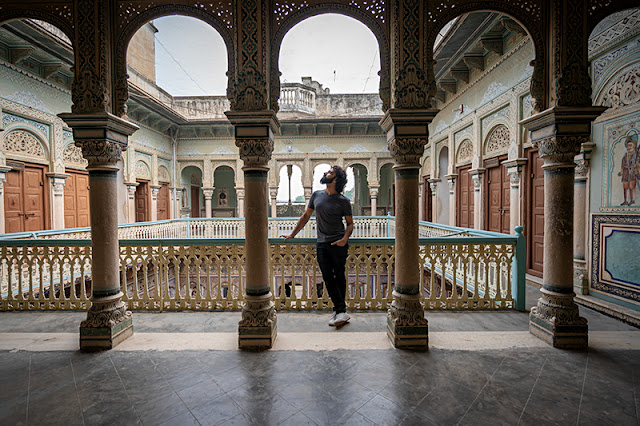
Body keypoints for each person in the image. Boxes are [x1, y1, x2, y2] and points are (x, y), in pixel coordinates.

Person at [281, 166, 354, 326]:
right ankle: (341, 311)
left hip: (338, 243)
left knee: (339, 276)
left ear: (335, 180)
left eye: (329, 173)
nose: (325, 174)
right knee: (328, 277)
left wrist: (344, 239)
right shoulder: (316, 195)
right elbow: (306, 216)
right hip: (322, 243)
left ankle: (339, 310)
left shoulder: (344, 201)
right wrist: (292, 234)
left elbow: (349, 224)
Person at [619, 137, 638, 206]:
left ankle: (631, 200)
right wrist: (623, 170)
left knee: (631, 187)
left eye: (630, 145)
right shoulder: (625, 156)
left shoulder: (636, 156)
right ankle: (625, 201)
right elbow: (623, 163)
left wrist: (634, 166)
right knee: (625, 187)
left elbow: (637, 164)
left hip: (632, 173)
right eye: (628, 146)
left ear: (634, 147)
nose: (629, 147)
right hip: (626, 173)